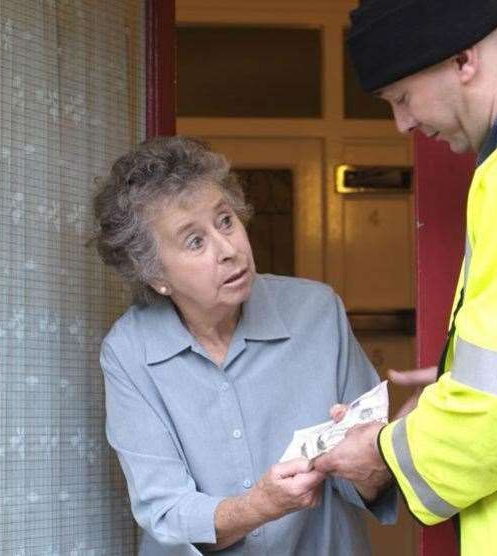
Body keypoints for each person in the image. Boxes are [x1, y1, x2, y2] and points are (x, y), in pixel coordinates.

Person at [315, 1, 497, 555]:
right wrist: (454, 377)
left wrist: (385, 454)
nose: (403, 124)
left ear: (463, 58)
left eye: (402, 98)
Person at [92, 136, 396, 555]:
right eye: (194, 241)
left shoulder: (317, 311)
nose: (229, 250)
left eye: (225, 221)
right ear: (154, 274)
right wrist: (260, 505)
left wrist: (371, 459)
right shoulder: (130, 351)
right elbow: (165, 511)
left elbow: (370, 475)